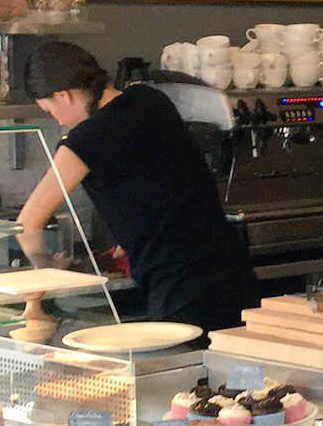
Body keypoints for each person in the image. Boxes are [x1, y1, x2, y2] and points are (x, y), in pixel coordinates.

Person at [18, 41, 257, 332]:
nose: (55, 120)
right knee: (242, 373)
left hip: (180, 289)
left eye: (49, 110)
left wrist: (44, 265)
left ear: (63, 95)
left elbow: (28, 224)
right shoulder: (149, 99)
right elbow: (156, 180)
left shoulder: (84, 140)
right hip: (231, 270)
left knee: (194, 375)